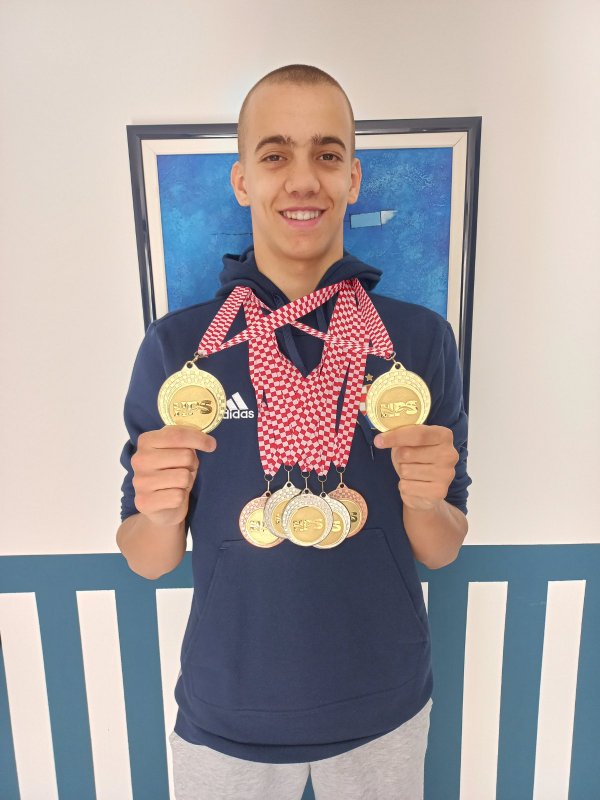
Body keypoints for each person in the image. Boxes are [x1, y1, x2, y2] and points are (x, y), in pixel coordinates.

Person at [117, 64, 471, 800]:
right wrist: (157, 513)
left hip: (384, 707)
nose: (303, 179)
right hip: (226, 712)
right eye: (275, 154)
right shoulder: (181, 348)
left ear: (354, 178)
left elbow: (441, 547)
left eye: (327, 154)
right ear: (242, 180)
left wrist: (427, 502)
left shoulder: (419, 340)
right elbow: (147, 558)